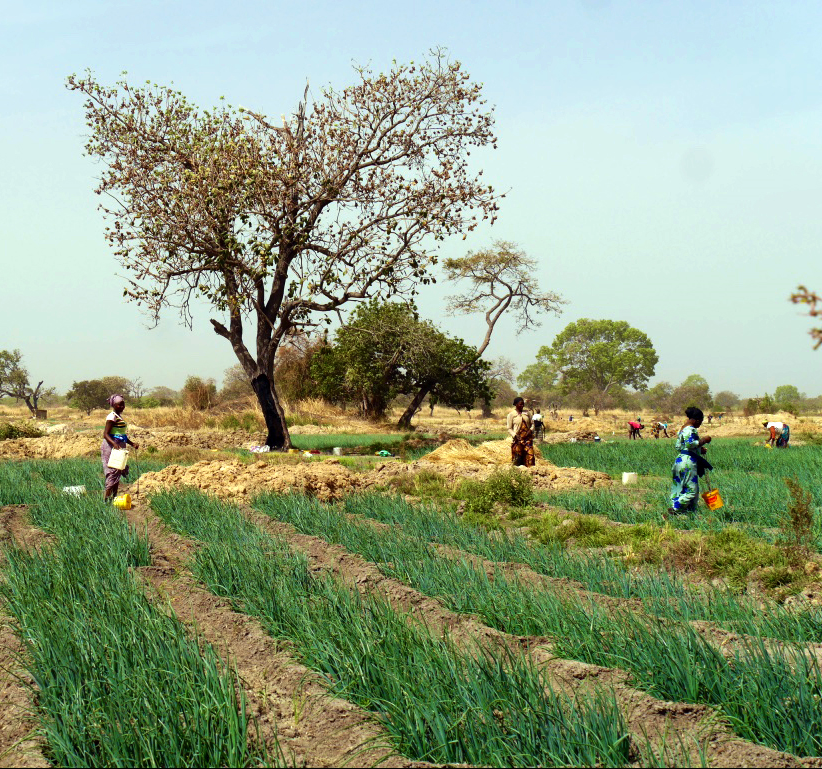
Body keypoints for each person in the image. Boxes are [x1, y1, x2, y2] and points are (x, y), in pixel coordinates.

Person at [668, 406, 711, 515]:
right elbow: (690, 444)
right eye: (700, 422)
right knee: (692, 492)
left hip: (680, 461)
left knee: (679, 489)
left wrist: (699, 449)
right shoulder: (690, 429)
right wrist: (703, 441)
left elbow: (679, 446)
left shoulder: (682, 429)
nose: (700, 424)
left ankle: (689, 516)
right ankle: (675, 509)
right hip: (688, 463)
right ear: (696, 420)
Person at [101, 394, 139, 501]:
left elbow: (121, 435)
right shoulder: (111, 417)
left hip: (119, 447)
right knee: (112, 471)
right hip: (111, 448)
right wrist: (113, 443)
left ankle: (114, 499)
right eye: (119, 405)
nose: (122, 406)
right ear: (113, 405)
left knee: (118, 471)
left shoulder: (119, 416)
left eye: (123, 404)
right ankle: (106, 501)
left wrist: (132, 444)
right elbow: (106, 434)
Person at [507, 397, 535, 467]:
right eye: (520, 404)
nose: (522, 406)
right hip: (518, 439)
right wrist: (515, 435)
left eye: (523, 404)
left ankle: (531, 472)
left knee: (530, 456)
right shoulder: (511, 415)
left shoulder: (527, 413)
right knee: (517, 459)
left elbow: (533, 424)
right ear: (516, 404)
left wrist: (530, 430)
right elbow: (509, 428)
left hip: (527, 439)